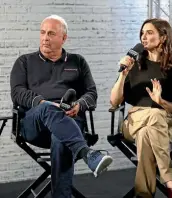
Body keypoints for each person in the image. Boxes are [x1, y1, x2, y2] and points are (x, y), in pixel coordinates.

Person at [10, 15, 113, 198]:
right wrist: (43, 103)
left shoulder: (78, 62)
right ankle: (86, 153)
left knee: (61, 138)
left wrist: (79, 105)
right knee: (47, 109)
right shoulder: (24, 62)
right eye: (42, 32)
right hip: (35, 125)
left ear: (63, 38)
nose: (45, 38)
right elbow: (17, 93)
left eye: (51, 33)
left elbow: (91, 93)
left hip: (69, 121)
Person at [110, 18, 172, 198]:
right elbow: (114, 102)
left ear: (163, 37)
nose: (144, 37)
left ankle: (144, 194)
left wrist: (161, 102)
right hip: (133, 121)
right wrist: (122, 75)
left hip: (167, 123)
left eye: (149, 33)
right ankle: (170, 183)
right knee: (153, 115)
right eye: (142, 33)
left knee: (147, 132)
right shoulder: (134, 66)